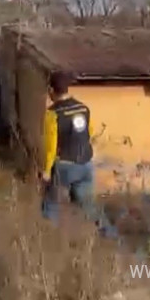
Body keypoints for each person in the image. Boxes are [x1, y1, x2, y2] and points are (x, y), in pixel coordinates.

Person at [41, 71, 98, 225]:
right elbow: (90, 132)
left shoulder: (52, 114)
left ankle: (50, 237)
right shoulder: (84, 108)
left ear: (51, 90)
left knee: (51, 204)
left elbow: (51, 145)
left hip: (65, 165)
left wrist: (46, 171)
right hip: (86, 163)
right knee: (88, 207)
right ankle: (103, 236)